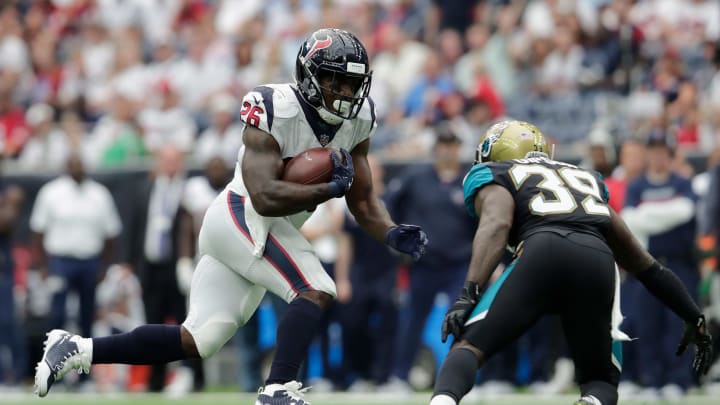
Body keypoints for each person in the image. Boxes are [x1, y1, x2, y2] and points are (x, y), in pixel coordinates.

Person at [34, 28, 428, 405]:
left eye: (351, 85)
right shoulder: (275, 107)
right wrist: (325, 190)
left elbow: (363, 200)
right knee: (316, 286)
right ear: (308, 76)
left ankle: (77, 348)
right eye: (334, 82)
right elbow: (263, 196)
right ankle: (278, 388)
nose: (345, 94)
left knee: (198, 338)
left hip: (267, 228)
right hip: (242, 215)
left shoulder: (359, 122)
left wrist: (391, 232)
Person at [428, 120, 713, 405]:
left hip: (541, 252)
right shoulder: (585, 178)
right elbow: (645, 264)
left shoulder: (497, 173)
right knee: (600, 381)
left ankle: (442, 401)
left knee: (467, 347)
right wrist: (692, 315)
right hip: (598, 260)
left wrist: (469, 293)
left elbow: (496, 222)